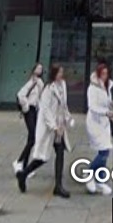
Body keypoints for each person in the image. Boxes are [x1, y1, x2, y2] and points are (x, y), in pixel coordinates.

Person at [16, 63, 72, 198]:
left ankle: (58, 186)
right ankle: (23, 174)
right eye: (59, 73)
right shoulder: (48, 89)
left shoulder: (62, 85)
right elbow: (46, 110)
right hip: (49, 128)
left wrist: (68, 118)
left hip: (59, 125)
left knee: (60, 152)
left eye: (62, 73)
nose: (61, 75)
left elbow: (63, 104)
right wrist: (54, 127)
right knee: (42, 158)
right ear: (53, 74)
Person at [85, 62, 113, 195]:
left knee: (105, 151)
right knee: (104, 152)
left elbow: (108, 101)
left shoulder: (108, 85)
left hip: (105, 123)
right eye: (102, 74)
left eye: (106, 73)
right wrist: (106, 112)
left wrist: (111, 106)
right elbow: (92, 106)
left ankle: (100, 180)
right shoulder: (92, 88)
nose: (105, 76)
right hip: (95, 123)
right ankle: (90, 174)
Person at [13, 63, 44, 175]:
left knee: (32, 139)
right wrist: (26, 107)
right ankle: (19, 161)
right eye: (38, 68)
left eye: (41, 68)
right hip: (29, 110)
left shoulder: (40, 83)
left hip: (35, 110)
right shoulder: (31, 82)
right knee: (32, 137)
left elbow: (39, 98)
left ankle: (24, 166)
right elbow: (21, 95)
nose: (40, 70)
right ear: (34, 69)